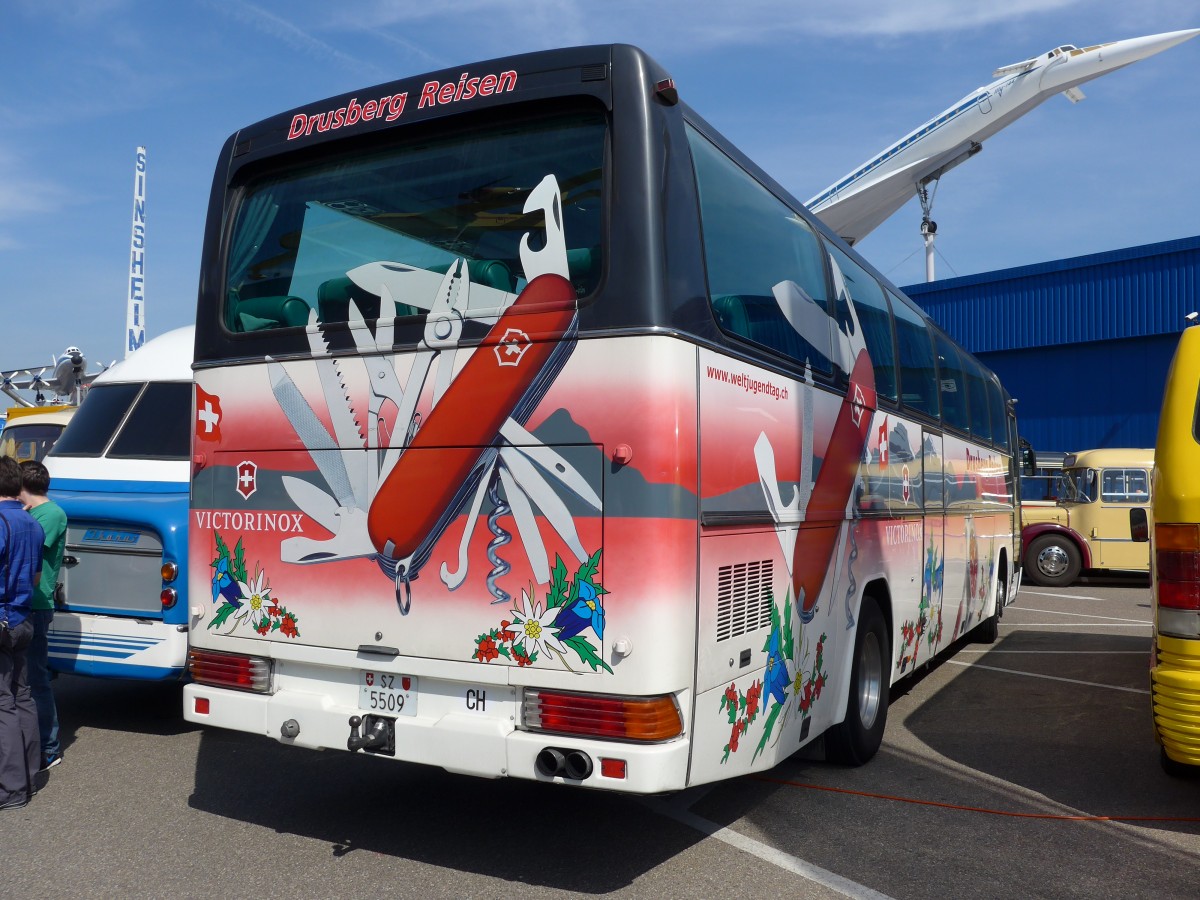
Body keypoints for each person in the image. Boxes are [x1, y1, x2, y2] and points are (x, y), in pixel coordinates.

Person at [0, 454, 43, 810]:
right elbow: (36, 577)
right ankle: (31, 773)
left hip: (2, 619)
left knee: (3, 704)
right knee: (23, 695)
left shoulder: (1, 522)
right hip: (23, 617)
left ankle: (11, 788)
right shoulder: (33, 523)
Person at [20, 459, 66, 771]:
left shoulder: (50, 514)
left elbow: (32, 547)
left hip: (37, 604)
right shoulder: (34, 513)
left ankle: (49, 747)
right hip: (26, 604)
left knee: (36, 679)